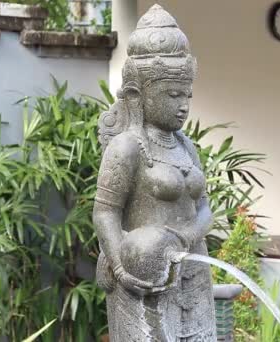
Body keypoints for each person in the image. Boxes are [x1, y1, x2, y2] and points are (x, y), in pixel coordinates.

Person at [92, 5, 216, 341]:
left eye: (187, 95)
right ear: (138, 95)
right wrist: (120, 266)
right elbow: (105, 212)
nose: (183, 106)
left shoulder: (186, 146)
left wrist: (184, 238)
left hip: (193, 265)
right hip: (143, 272)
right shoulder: (127, 147)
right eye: (172, 95)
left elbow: (205, 209)